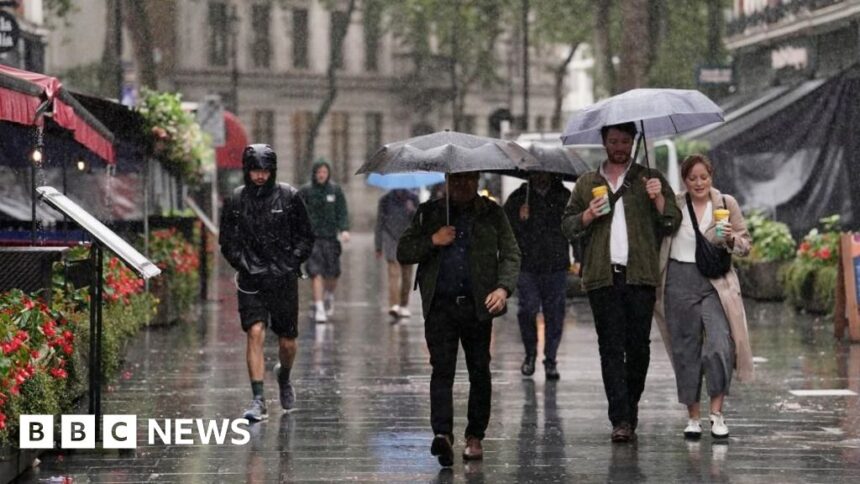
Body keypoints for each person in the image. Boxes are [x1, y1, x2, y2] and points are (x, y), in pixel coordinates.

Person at [561, 122, 682, 443]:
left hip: (640, 275)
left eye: (625, 141)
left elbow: (671, 220)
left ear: (634, 141)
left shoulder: (649, 179)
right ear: (603, 142)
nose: (619, 147)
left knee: (639, 348)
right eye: (613, 141)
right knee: (610, 348)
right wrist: (587, 214)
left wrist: (657, 199)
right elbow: (569, 226)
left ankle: (630, 407)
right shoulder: (588, 182)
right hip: (602, 276)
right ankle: (620, 418)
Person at [397, 171, 520, 466]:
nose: (462, 186)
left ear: (477, 180)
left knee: (480, 370)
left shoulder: (491, 213)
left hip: (478, 306)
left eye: (468, 180)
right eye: (456, 181)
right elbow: (404, 251)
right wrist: (433, 240)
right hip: (440, 306)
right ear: (447, 182)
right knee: (442, 370)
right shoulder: (431, 212)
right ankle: (443, 434)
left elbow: (511, 253)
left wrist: (503, 288)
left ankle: (475, 435)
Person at [653, 154, 754, 440]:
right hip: (678, 281)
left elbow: (746, 245)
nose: (699, 183)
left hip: (715, 283)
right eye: (692, 178)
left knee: (720, 344)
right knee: (685, 350)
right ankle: (693, 417)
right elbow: (661, 227)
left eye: (704, 177)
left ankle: (717, 414)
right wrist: (656, 198)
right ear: (685, 180)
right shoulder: (675, 204)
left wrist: (732, 238)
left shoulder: (725, 204)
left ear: (711, 176)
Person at [219, 144, 315, 421]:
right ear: (246, 171)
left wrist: (290, 262)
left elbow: (306, 236)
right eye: (254, 171)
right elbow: (227, 241)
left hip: (283, 278)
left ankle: (284, 376)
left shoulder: (289, 197)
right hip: (251, 279)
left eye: (264, 171)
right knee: (255, 332)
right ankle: (258, 399)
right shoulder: (236, 200)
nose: (259, 176)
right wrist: (243, 263)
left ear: (272, 171)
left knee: (287, 342)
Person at [503, 172, 571, 380]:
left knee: (555, 313)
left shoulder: (564, 197)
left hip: (556, 264)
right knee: (527, 309)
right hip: (527, 265)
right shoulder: (519, 197)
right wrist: (519, 219)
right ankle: (530, 354)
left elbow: (574, 227)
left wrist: (580, 258)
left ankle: (550, 359)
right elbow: (506, 230)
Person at [299, 159, 350, 323]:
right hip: (312, 239)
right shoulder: (306, 191)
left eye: (324, 172)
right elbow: (297, 212)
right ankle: (319, 307)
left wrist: (344, 229)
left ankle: (328, 296)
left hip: (330, 238)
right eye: (319, 172)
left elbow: (342, 212)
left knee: (333, 273)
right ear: (314, 173)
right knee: (316, 272)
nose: (321, 175)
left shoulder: (335, 190)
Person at [375, 188, 420, 320]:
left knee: (407, 277)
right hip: (391, 239)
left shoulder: (413, 199)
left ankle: (404, 304)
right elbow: (379, 223)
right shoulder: (385, 200)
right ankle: (394, 304)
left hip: (408, 239)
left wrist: (413, 210)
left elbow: (421, 221)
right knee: (393, 274)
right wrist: (378, 246)